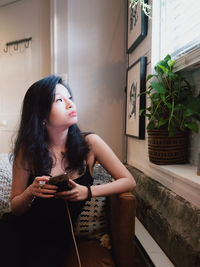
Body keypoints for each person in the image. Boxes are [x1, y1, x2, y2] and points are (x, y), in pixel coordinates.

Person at [8, 75, 136, 266]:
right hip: (18, 232)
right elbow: (15, 208)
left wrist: (88, 192)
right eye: (59, 100)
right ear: (41, 114)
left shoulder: (91, 143)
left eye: (70, 98)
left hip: (55, 241)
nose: (70, 104)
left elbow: (129, 181)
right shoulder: (27, 150)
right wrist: (30, 193)